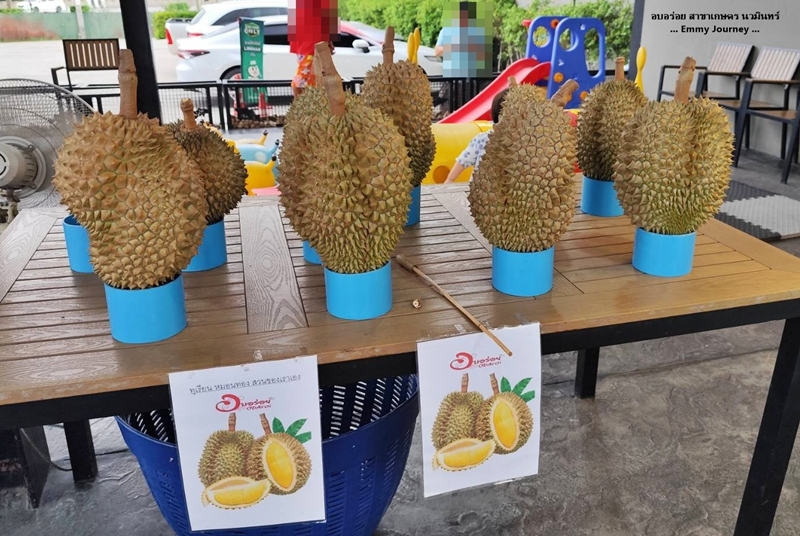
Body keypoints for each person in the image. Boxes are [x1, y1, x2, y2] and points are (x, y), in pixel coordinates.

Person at [444, 88, 508, 183]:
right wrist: (449, 181)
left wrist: (449, 180)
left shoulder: (482, 139)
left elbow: (461, 163)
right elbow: (461, 163)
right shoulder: (483, 140)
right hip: (483, 188)